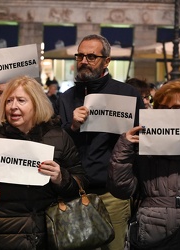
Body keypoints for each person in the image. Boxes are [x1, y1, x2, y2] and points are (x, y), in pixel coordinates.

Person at [58, 34, 145, 250]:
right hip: (73, 196)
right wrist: (72, 127)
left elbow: (143, 142)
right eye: (80, 56)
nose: (84, 61)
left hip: (112, 195)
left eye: (91, 56)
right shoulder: (66, 97)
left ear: (106, 61)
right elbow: (55, 143)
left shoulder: (128, 94)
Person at [0, 75, 86, 249]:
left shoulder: (59, 138)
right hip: (4, 236)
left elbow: (81, 182)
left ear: (36, 104)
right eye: (8, 101)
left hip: (51, 234)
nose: (13, 106)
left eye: (21, 100)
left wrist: (61, 178)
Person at [108, 79, 180, 249]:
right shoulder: (143, 143)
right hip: (152, 232)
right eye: (163, 109)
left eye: (177, 109)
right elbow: (121, 189)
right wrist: (124, 146)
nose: (169, 114)